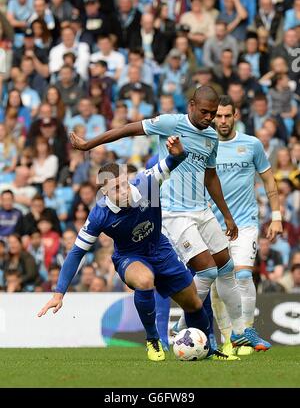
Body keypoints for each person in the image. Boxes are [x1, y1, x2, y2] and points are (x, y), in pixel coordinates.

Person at [69, 85, 272, 353]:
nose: (209, 118)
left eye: (213, 113)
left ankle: (240, 332)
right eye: (205, 112)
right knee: (208, 270)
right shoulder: (170, 123)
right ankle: (184, 321)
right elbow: (127, 129)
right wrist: (89, 143)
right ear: (191, 105)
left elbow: (211, 177)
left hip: (203, 210)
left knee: (226, 267)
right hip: (175, 213)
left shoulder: (211, 137)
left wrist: (227, 215)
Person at [38, 136, 235, 362]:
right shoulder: (99, 215)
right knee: (144, 280)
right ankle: (153, 340)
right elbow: (76, 253)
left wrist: (178, 151)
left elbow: (174, 160)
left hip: (161, 249)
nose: (123, 191)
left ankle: (208, 350)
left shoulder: (147, 183)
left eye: (124, 184)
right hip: (129, 257)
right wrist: (59, 292)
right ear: (104, 193)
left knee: (194, 305)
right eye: (115, 189)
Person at [209, 95, 283, 356]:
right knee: (218, 283)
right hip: (212, 225)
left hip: (245, 223)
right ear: (212, 117)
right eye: (218, 116)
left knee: (241, 275)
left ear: (235, 116)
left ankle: (247, 331)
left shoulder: (251, 144)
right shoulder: (204, 143)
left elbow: (269, 181)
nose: (223, 120)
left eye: (227, 115)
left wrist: (276, 216)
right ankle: (231, 339)